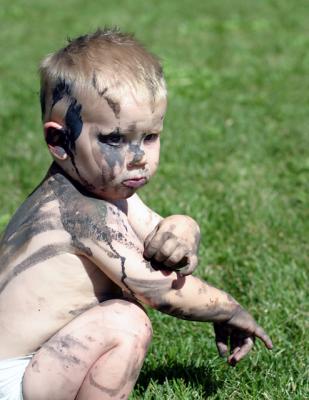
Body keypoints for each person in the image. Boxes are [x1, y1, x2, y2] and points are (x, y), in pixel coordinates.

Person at [0, 28, 272, 400]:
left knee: (122, 314)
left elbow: (157, 229)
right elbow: (161, 292)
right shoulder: (79, 211)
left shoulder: (99, 192)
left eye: (149, 137)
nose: (139, 157)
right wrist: (229, 309)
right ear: (59, 141)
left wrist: (183, 228)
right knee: (126, 321)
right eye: (115, 139)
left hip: (38, 365)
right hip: (13, 379)